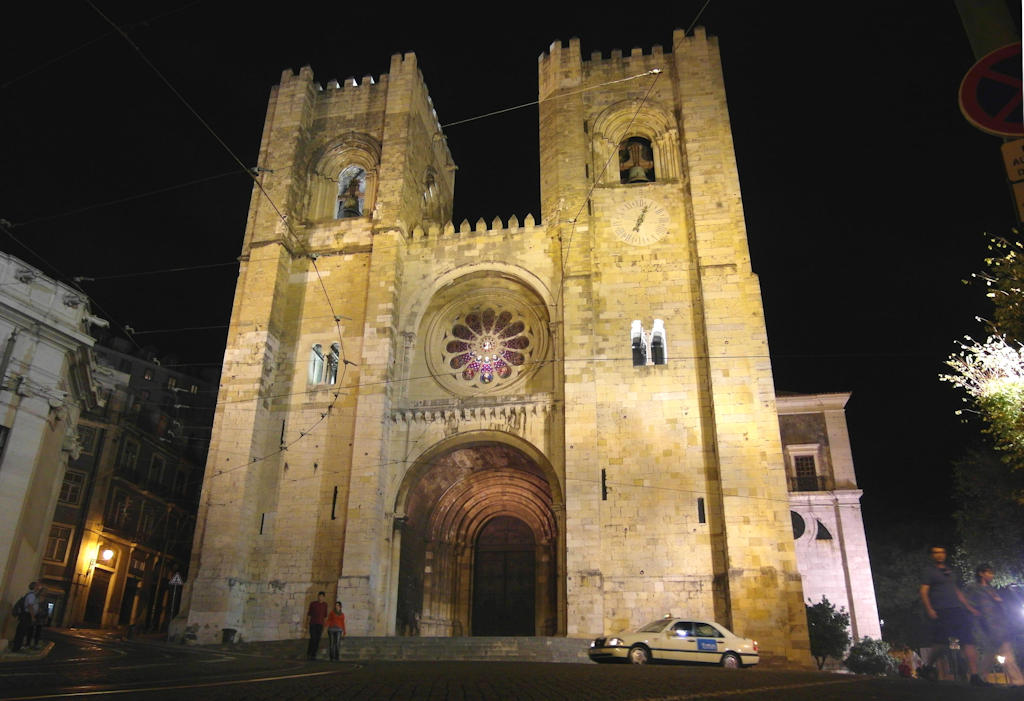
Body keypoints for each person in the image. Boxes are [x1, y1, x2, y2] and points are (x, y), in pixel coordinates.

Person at [919, 546, 986, 686]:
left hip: (957, 610)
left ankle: (974, 676)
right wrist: (929, 609)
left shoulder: (950, 571)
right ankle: (928, 666)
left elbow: (956, 590)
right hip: (941, 610)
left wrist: (968, 607)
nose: (939, 555)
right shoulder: (929, 571)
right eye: (936, 553)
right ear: (932, 555)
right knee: (941, 643)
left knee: (968, 640)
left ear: (945, 554)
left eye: (942, 552)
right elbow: (924, 591)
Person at [966, 563, 1024, 686]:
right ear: (981, 573)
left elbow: (1000, 607)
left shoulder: (991, 590)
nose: (991, 575)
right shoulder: (973, 588)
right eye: (988, 572)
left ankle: (980, 677)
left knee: (991, 653)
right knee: (1004, 653)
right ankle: (1018, 681)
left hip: (998, 625)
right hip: (986, 625)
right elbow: (969, 604)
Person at [10, 582, 37, 653]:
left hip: (24, 615)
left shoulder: (28, 594)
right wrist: (33, 616)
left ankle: (16, 646)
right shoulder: (32, 595)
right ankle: (16, 647)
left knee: (21, 631)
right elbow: (30, 606)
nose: (38, 587)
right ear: (35, 587)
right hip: (26, 615)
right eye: (38, 586)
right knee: (22, 631)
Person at [305, 591, 328, 660]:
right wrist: (307, 623)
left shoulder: (325, 605)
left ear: (324, 597)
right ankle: (309, 652)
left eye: (322, 596)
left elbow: (325, 616)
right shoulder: (313, 604)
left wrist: (325, 625)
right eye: (319, 596)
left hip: (320, 624)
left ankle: (313, 654)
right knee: (313, 638)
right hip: (313, 623)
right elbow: (309, 614)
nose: (320, 598)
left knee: (317, 639)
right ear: (318, 596)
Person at [30, 584, 46, 649]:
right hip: (35, 615)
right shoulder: (35, 597)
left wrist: (45, 614)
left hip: (40, 617)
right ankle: (29, 642)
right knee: (31, 629)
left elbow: (45, 609)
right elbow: (32, 605)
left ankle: (36, 643)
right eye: (44, 591)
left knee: (38, 631)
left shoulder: (44, 600)